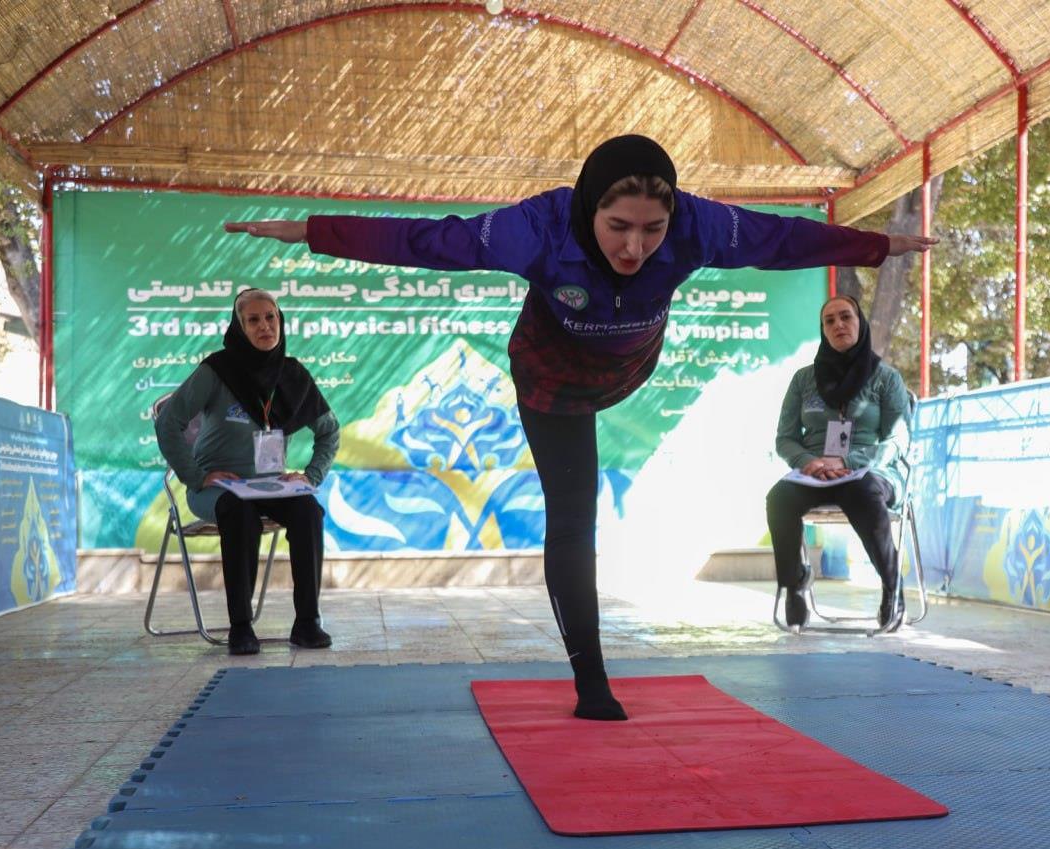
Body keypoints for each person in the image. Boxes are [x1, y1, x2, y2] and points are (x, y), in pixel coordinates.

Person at [224, 134, 933, 715]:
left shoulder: (698, 225)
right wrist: (310, 231)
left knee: (590, 476)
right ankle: (590, 679)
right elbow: (426, 241)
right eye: (618, 226)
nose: (635, 246)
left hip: (628, 363)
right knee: (574, 513)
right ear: (590, 208)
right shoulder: (537, 227)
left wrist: (873, 246)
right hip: (550, 373)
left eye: (652, 230)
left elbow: (778, 239)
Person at [155, 288, 340, 655]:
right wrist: (195, 476)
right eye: (252, 320)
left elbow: (329, 431)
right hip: (219, 487)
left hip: (270, 484)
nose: (264, 326)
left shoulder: (292, 375)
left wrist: (310, 476)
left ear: (280, 322)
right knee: (240, 514)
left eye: (270, 318)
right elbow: (168, 423)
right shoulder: (217, 370)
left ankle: (307, 623)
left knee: (308, 511)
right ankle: (241, 627)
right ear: (239, 327)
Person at [766, 294, 912, 632]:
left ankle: (892, 588)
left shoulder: (886, 378)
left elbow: (898, 440)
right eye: (829, 321)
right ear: (823, 330)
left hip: (870, 471)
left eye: (845, 317)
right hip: (814, 473)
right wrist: (808, 461)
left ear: (859, 324)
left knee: (861, 491)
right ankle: (794, 582)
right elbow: (785, 438)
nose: (838, 325)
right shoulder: (804, 380)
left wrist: (848, 460)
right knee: (779, 497)